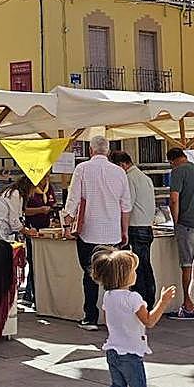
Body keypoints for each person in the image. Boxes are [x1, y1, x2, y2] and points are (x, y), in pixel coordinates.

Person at [82, 247, 177, 387]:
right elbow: (149, 321)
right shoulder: (133, 299)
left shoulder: (108, 297)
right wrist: (163, 302)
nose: (135, 273)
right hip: (131, 355)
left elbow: (109, 322)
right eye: (133, 270)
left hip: (112, 351)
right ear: (124, 276)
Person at [62, 136, 131, 331]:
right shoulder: (119, 172)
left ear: (91, 151)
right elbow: (126, 206)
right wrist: (124, 230)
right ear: (108, 152)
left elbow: (73, 200)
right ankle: (116, 319)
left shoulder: (82, 169)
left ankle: (90, 317)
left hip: (89, 233)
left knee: (89, 275)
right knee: (115, 277)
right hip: (113, 233)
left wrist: (66, 225)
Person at [109, 151, 157, 309]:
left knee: (137, 268)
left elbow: (127, 207)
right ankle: (149, 300)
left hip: (135, 227)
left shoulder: (129, 178)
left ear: (122, 164)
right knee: (146, 265)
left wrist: (122, 228)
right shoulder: (145, 178)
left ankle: (141, 303)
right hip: (147, 226)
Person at [167, 148, 194, 320]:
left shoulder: (177, 171)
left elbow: (174, 198)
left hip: (186, 224)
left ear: (172, 161)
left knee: (187, 265)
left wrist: (175, 221)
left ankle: (188, 306)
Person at [21, 178, 56, 307]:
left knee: (40, 263)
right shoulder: (30, 189)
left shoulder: (49, 187)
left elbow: (53, 204)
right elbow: (23, 210)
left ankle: (30, 294)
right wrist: (40, 210)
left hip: (46, 229)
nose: (45, 179)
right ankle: (31, 295)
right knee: (33, 261)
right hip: (33, 229)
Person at [0, 176, 33, 242]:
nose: (32, 194)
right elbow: (14, 221)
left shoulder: (14, 192)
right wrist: (27, 231)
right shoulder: (15, 194)